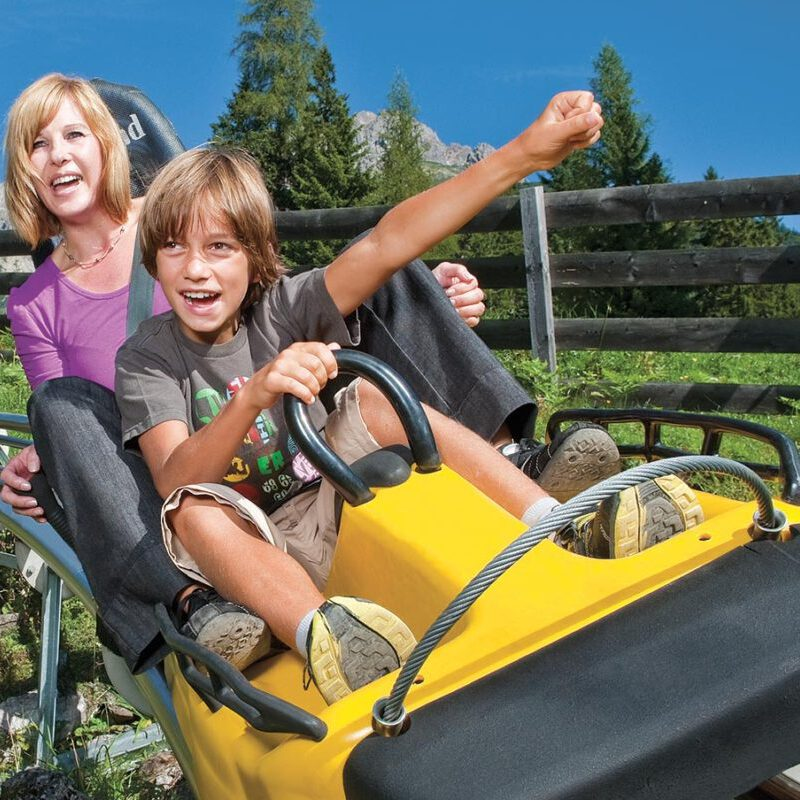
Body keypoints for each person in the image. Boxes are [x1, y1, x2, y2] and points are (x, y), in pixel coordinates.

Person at [0, 73, 616, 674]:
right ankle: (204, 606)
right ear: (22, 168)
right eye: (37, 144)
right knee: (59, 411)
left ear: (106, 144)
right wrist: (46, 460)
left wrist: (520, 156)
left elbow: (359, 258)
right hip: (182, 469)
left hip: (292, 439)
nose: (57, 157)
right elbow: (81, 423)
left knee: (388, 273)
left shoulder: (174, 213)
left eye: (73, 136)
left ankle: (516, 468)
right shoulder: (49, 311)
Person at [115, 106, 703, 703]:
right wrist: (255, 395)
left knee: (369, 395)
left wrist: (522, 155)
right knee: (191, 508)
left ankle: (558, 521)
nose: (195, 269)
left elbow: (387, 242)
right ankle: (324, 633)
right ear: (153, 260)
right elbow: (173, 476)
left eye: (219, 247)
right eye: (173, 248)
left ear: (255, 256)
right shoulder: (148, 358)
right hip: (254, 545)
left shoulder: (281, 310)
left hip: (330, 500)